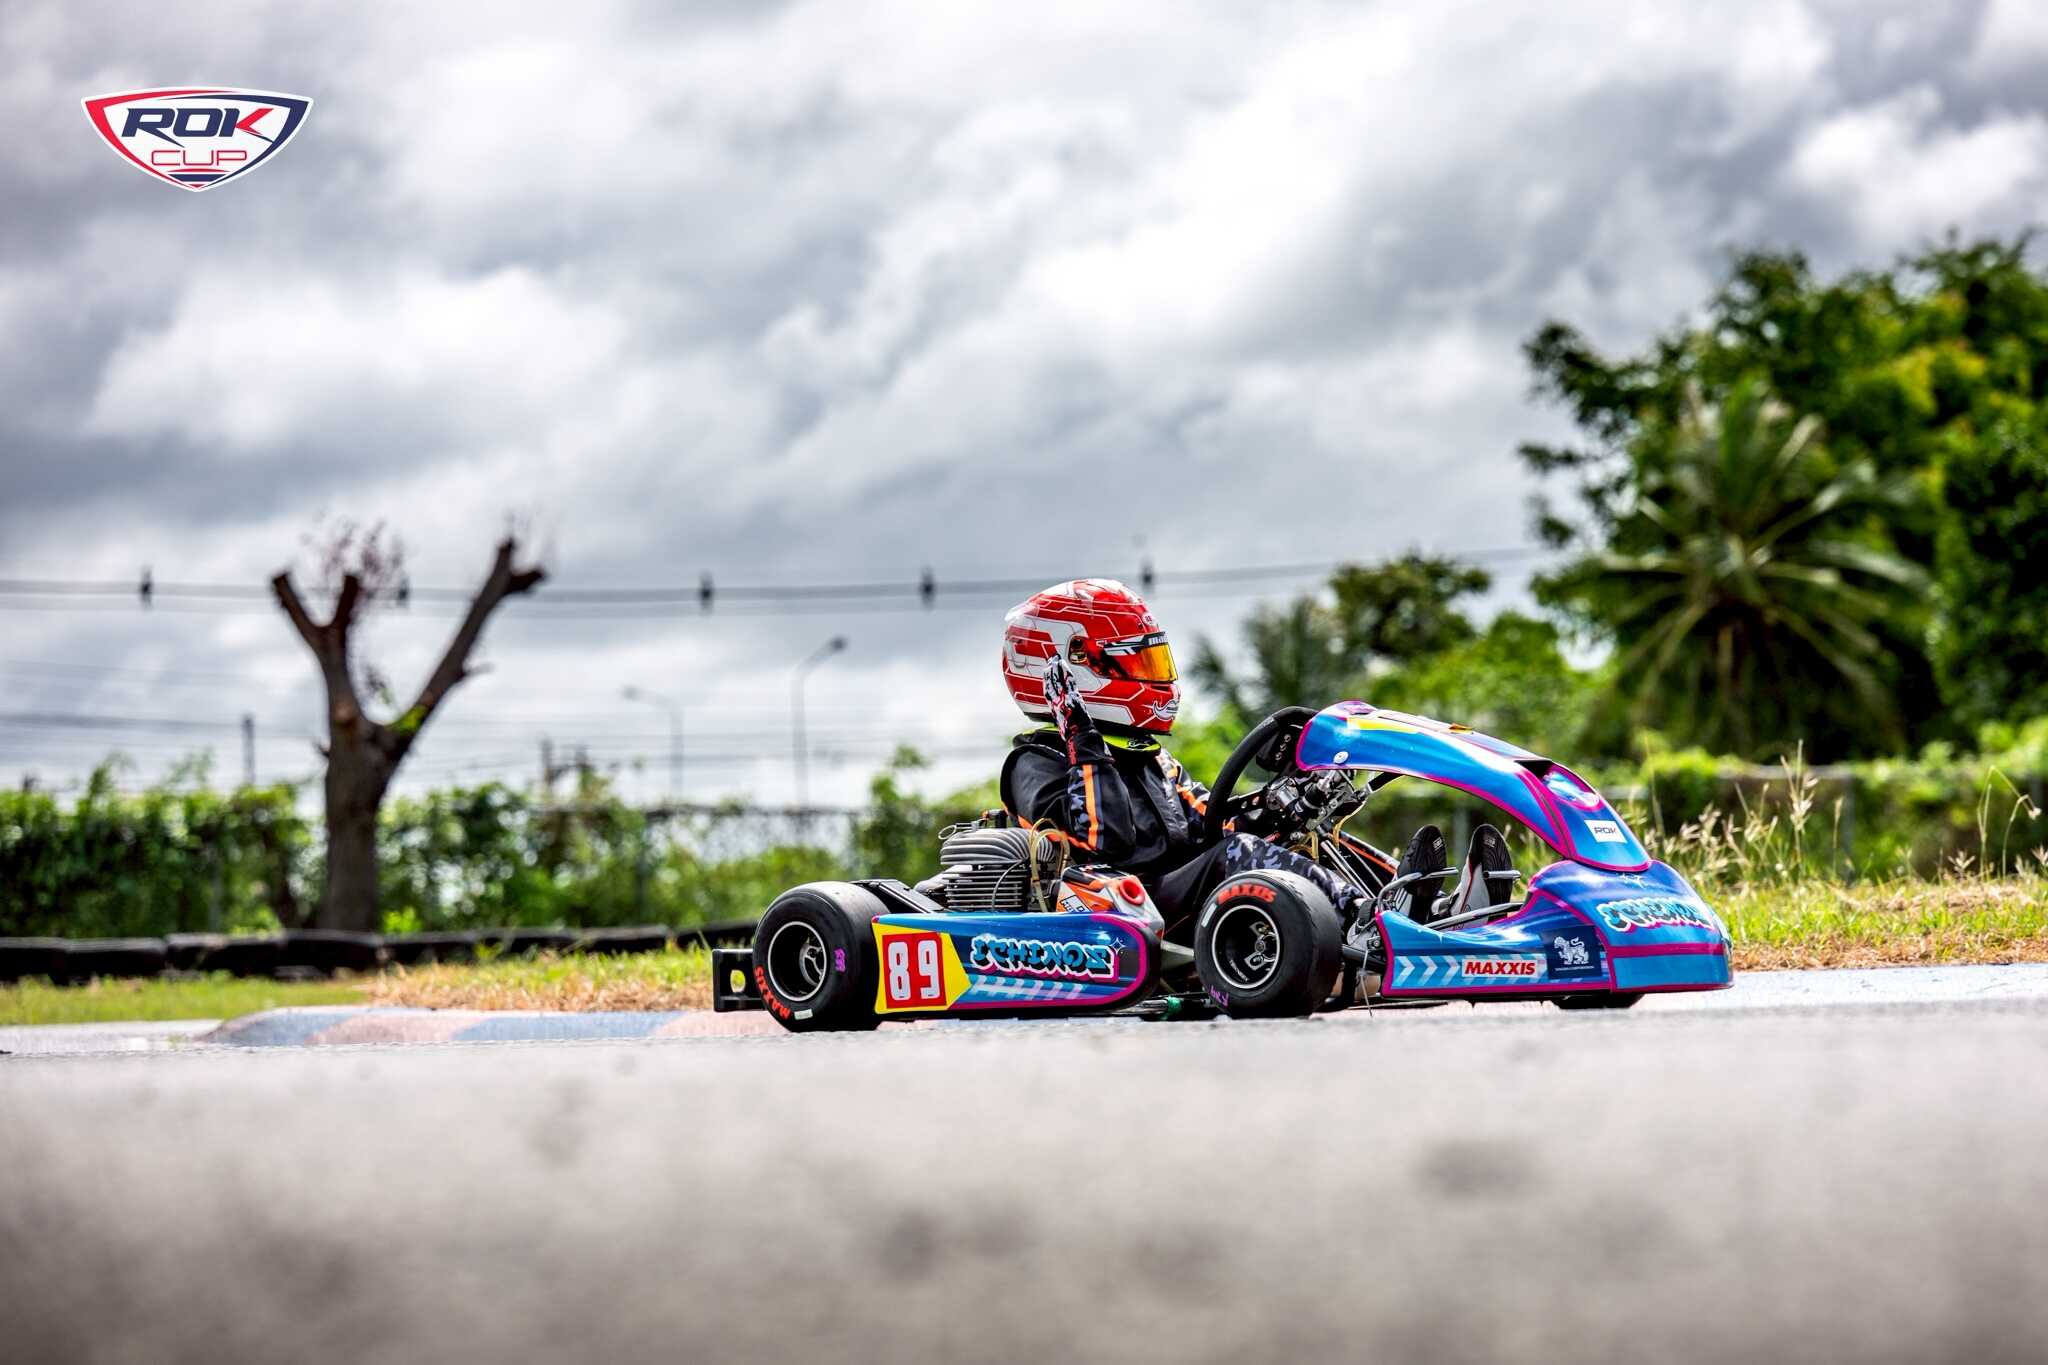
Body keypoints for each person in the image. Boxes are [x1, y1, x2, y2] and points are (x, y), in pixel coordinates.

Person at [997, 579, 1371, 936]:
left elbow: (1214, 825)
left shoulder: (1151, 758)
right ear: (1074, 666)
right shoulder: (1033, 763)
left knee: (1308, 837)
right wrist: (1082, 736)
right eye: (1136, 661)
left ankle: (1396, 907)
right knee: (1237, 854)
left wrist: (1290, 802)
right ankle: (1362, 923)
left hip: (1178, 894)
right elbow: (1107, 840)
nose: (1150, 675)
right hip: (1121, 909)